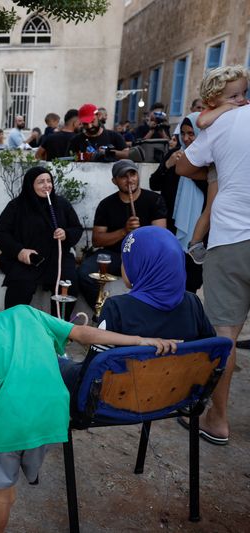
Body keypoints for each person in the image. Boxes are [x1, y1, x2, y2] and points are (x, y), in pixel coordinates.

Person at [0, 280, 177, 533]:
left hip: (12, 424)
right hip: (55, 417)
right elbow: (81, 333)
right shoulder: (25, 312)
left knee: (1, 484)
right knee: (1, 478)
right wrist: (137, 340)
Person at [175, 64, 250, 445]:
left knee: (226, 335)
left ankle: (218, 420)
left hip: (233, 237)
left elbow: (186, 166)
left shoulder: (219, 123)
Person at [58, 226, 215, 393]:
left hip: (117, 398)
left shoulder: (117, 308)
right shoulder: (192, 303)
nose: (124, 266)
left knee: (55, 363)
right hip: (173, 394)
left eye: (128, 260)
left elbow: (93, 372)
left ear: (141, 265)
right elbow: (211, 352)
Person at [77, 160, 166, 312]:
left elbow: (161, 236)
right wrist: (124, 231)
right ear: (114, 181)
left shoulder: (154, 200)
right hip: (113, 255)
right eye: (123, 176)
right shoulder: (106, 205)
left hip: (144, 255)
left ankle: (146, 316)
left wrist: (140, 233)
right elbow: (97, 240)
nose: (130, 180)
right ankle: (105, 313)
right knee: (84, 272)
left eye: (133, 174)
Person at [0, 167, 82, 320]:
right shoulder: (16, 206)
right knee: (21, 284)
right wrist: (19, 251)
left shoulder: (61, 204)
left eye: (49, 181)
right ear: (30, 185)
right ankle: (13, 325)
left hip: (57, 257)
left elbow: (76, 228)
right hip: (29, 258)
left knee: (68, 284)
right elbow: (2, 233)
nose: (47, 185)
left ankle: (59, 328)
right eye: (41, 182)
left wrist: (65, 234)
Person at [186, 65, 249, 266]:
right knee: (211, 207)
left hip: (225, 162)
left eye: (244, 93)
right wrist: (226, 108)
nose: (241, 99)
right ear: (212, 100)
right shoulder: (216, 111)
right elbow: (202, 122)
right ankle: (195, 243)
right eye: (234, 96)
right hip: (215, 163)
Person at [148, 115, 207, 292]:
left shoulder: (209, 159)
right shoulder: (173, 154)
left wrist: (189, 169)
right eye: (183, 133)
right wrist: (168, 164)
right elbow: (154, 183)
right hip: (172, 223)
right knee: (170, 275)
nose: (186, 138)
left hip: (198, 227)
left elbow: (211, 189)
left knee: (192, 280)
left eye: (191, 134)